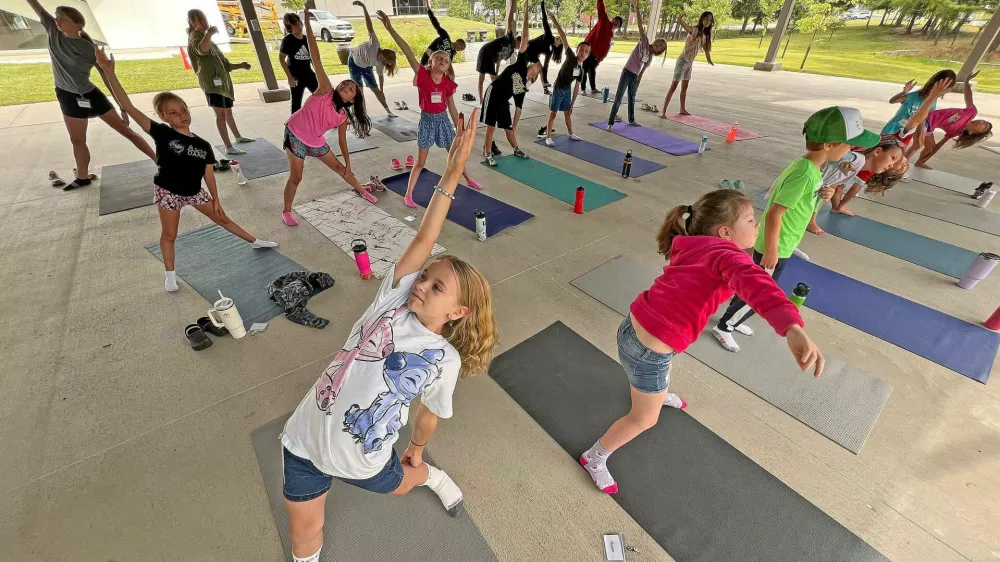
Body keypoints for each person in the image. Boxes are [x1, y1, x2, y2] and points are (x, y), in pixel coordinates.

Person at [280, 108, 498, 562]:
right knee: (305, 530)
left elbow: (429, 413)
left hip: (367, 459)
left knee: (402, 483)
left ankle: (434, 479)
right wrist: (451, 175)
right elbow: (423, 239)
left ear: (457, 312)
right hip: (304, 440)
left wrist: (418, 452)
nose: (421, 284)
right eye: (424, 279)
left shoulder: (443, 358)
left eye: (435, 288)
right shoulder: (392, 302)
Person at [580, 189, 825, 495]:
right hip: (650, 351)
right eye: (750, 220)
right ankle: (595, 457)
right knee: (644, 419)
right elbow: (757, 285)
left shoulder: (692, 244)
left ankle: (656, 392)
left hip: (634, 325)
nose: (757, 225)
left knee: (658, 372)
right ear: (725, 232)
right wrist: (791, 326)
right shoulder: (727, 255)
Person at [93, 45, 277, 293]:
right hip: (168, 192)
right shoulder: (161, 133)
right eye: (173, 113)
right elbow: (129, 105)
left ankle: (254, 242)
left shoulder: (202, 145)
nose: (181, 115)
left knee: (221, 216)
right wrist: (109, 72)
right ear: (163, 117)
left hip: (194, 191)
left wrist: (216, 198)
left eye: (183, 110)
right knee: (170, 234)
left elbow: (208, 173)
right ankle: (170, 274)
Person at [713, 107, 881, 353]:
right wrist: (772, 249)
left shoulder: (811, 169)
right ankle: (725, 326)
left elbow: (800, 202)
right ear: (829, 145)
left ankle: (734, 319)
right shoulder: (804, 174)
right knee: (759, 292)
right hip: (776, 245)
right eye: (848, 145)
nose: (851, 151)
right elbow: (774, 212)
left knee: (756, 288)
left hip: (784, 242)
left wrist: (823, 194)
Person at [25, 0, 155, 191]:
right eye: (56, 16)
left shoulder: (90, 48)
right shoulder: (53, 31)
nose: (57, 20)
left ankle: (160, 162)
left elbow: (107, 76)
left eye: (62, 18)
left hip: (91, 95)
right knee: (77, 140)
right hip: (68, 96)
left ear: (78, 24)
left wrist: (121, 106)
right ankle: (83, 176)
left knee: (127, 131)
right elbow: (35, 5)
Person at [806, 77, 953, 226]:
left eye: (898, 165)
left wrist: (834, 201)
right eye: (896, 159)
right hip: (819, 170)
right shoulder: (889, 146)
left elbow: (834, 182)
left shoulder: (861, 161)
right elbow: (915, 120)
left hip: (819, 174)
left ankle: (814, 216)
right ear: (878, 152)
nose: (899, 162)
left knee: (829, 185)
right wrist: (932, 97)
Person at [281, 2, 375, 226]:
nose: (346, 86)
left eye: (351, 88)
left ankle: (362, 190)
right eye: (345, 84)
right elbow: (316, 58)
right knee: (296, 177)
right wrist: (307, 27)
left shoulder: (343, 116)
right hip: (295, 133)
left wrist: (349, 163)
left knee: (340, 168)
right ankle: (286, 211)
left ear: (352, 100)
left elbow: (343, 142)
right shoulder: (324, 90)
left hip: (315, 140)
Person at [376, 10, 483, 208]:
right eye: (439, 58)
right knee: (420, 162)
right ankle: (408, 195)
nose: (443, 60)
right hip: (426, 121)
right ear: (431, 62)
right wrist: (390, 28)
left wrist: (460, 127)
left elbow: (451, 107)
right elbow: (407, 49)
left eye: (446, 60)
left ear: (448, 66)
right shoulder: (423, 76)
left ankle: (468, 178)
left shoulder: (448, 84)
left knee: (454, 155)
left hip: (442, 121)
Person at [186, 9, 256, 156]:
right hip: (212, 85)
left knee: (228, 112)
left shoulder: (208, 40)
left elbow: (225, 64)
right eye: (201, 20)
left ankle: (237, 137)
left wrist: (240, 65)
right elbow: (201, 50)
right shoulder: (195, 38)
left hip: (223, 84)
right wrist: (209, 33)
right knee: (221, 115)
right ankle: (228, 146)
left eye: (205, 19)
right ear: (193, 22)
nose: (205, 23)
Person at [481, 0, 541, 166]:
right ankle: (487, 153)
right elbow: (525, 38)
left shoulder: (523, 87)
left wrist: (514, 125)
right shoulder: (521, 64)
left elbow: (519, 109)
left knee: (507, 128)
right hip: (493, 94)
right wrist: (526, 12)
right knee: (491, 127)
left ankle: (516, 148)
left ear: (535, 75)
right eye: (537, 65)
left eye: (538, 68)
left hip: (503, 101)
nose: (537, 66)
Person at [606, 0, 667, 129]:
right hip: (627, 71)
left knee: (632, 98)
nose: (658, 45)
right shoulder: (644, 41)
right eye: (659, 43)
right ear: (655, 42)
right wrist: (637, 8)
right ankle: (611, 122)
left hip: (634, 76)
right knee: (618, 98)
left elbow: (642, 71)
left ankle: (631, 119)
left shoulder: (649, 58)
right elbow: (639, 25)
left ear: (659, 51)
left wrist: (637, 82)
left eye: (660, 46)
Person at [915, 73, 993, 169]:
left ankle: (919, 162)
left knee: (930, 146)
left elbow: (939, 145)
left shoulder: (956, 131)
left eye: (985, 126)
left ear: (972, 132)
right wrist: (966, 82)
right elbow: (968, 97)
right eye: (985, 122)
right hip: (926, 117)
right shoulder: (971, 112)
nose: (984, 122)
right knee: (917, 143)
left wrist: (924, 160)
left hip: (929, 126)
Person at [881, 69, 955, 167]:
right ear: (934, 84)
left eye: (946, 89)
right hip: (893, 129)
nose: (944, 91)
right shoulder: (914, 96)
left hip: (907, 132)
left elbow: (924, 118)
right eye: (943, 87)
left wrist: (921, 135)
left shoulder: (933, 101)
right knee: (884, 152)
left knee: (897, 154)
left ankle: (894, 170)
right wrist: (904, 92)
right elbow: (892, 101)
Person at [542, 15, 588, 146]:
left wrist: (572, 103)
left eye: (586, 52)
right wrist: (555, 21)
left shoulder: (581, 70)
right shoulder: (571, 57)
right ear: (577, 50)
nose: (583, 53)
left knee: (567, 113)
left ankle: (571, 133)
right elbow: (563, 36)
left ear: (588, 55)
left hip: (567, 90)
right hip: (558, 88)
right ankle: (548, 136)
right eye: (581, 50)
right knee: (553, 113)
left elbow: (577, 87)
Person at [348, 1, 399, 117]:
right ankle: (361, 113)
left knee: (375, 89)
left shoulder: (380, 63)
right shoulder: (375, 44)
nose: (383, 63)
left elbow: (380, 77)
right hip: (354, 62)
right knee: (359, 90)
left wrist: (381, 90)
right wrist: (364, 7)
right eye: (386, 61)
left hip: (366, 67)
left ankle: (388, 111)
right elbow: (369, 25)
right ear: (383, 56)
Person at [659, 12, 714, 117]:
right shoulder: (695, 30)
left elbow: (706, 50)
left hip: (689, 63)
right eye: (706, 18)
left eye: (710, 20)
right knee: (674, 86)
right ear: (702, 19)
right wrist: (680, 18)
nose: (707, 21)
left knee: (685, 87)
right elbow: (683, 24)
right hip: (682, 61)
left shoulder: (706, 36)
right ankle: (663, 112)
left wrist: (709, 60)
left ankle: (682, 109)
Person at [476, 2, 519, 102]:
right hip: (485, 52)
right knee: (481, 78)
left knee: (495, 79)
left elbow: (499, 59)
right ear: (516, 40)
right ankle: (481, 99)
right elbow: (509, 21)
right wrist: (512, 6)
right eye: (518, 43)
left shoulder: (511, 51)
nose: (518, 46)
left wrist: (496, 71)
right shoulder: (509, 38)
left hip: (492, 58)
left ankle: (500, 98)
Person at [279, 13, 318, 114]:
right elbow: (281, 59)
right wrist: (289, 77)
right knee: (296, 103)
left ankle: (330, 117)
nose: (299, 26)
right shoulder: (288, 40)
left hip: (309, 73)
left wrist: (319, 74)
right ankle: (293, 125)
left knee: (322, 95)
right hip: (295, 75)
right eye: (295, 25)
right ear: (289, 27)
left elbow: (314, 58)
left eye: (299, 23)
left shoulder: (307, 39)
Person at [581, 0, 623, 94]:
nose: (616, 23)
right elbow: (601, 9)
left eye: (618, 23)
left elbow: (605, 49)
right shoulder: (604, 21)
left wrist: (599, 60)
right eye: (616, 20)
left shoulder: (610, 34)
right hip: (588, 49)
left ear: (618, 27)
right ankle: (583, 89)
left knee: (592, 70)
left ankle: (593, 88)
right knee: (585, 69)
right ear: (613, 20)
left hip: (594, 54)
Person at [420, 0, 466, 66]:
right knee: (420, 74)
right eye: (461, 45)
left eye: (461, 49)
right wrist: (429, 10)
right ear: (457, 41)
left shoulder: (450, 55)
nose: (460, 48)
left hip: (434, 67)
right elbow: (436, 25)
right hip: (427, 57)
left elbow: (447, 67)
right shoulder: (445, 37)